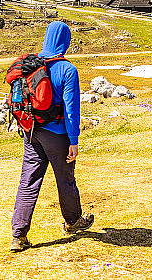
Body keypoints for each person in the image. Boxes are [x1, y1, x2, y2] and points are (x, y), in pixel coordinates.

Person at [10, 21, 94, 252]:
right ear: (65, 41)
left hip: (31, 130)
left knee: (28, 182)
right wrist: (74, 141)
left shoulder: (31, 64)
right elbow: (70, 110)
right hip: (57, 136)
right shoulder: (67, 70)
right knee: (65, 179)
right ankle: (73, 221)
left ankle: (18, 235)